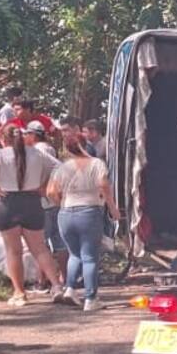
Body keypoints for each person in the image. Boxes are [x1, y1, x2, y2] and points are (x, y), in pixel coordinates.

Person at [0, 125, 64, 306]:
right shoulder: (36, 153)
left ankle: (19, 292)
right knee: (39, 248)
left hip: (7, 201)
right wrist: (43, 185)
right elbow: (59, 166)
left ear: (2, 139)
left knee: (13, 251)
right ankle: (56, 286)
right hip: (31, 200)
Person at [47, 132, 121, 311]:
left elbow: (50, 191)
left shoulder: (62, 167)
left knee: (75, 254)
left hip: (65, 213)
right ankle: (91, 298)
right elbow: (104, 186)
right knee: (89, 257)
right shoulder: (97, 164)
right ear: (84, 144)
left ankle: (70, 289)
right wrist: (113, 209)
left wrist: (61, 203)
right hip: (89, 211)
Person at [26, 120, 68, 280]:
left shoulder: (38, 150)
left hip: (43, 203)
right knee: (59, 243)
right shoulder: (49, 148)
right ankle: (64, 277)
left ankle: (42, 280)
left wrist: (42, 187)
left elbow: (56, 167)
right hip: (54, 202)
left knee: (40, 244)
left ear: (33, 135)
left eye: (26, 134)